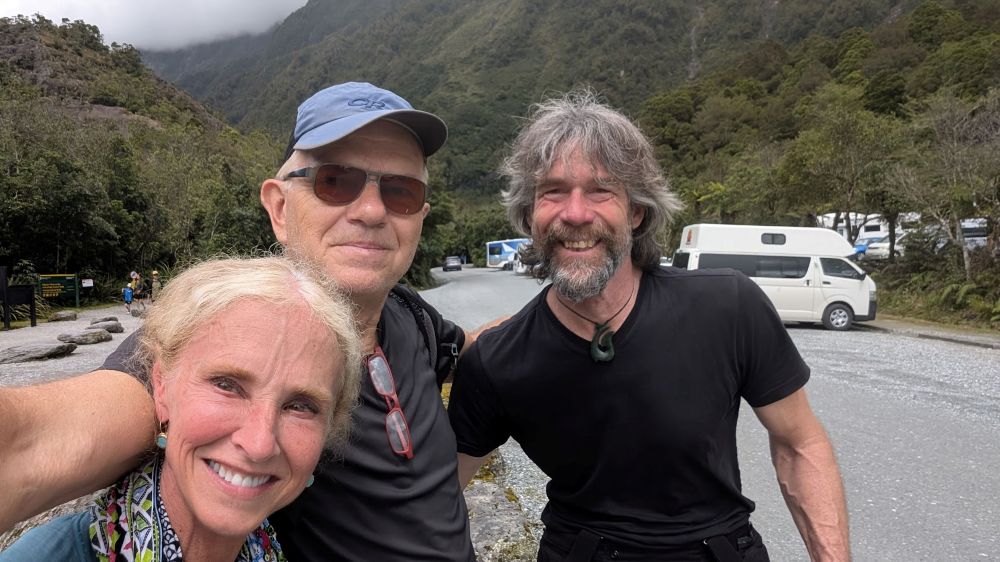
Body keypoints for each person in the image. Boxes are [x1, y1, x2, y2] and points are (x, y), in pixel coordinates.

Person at [0, 82, 476, 561]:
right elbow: (29, 444)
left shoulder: (413, 315)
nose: (372, 211)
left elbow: (474, 351)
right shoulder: (214, 333)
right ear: (280, 207)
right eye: (336, 181)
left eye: (401, 192)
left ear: (420, 217)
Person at [448, 90, 851, 561]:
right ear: (529, 215)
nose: (575, 213)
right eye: (553, 191)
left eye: (600, 190)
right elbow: (437, 497)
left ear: (636, 212)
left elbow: (799, 444)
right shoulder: (497, 359)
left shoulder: (727, 305)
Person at [0, 255, 362, 561]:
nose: (259, 444)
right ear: (161, 386)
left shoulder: (273, 547)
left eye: (301, 406)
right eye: (226, 385)